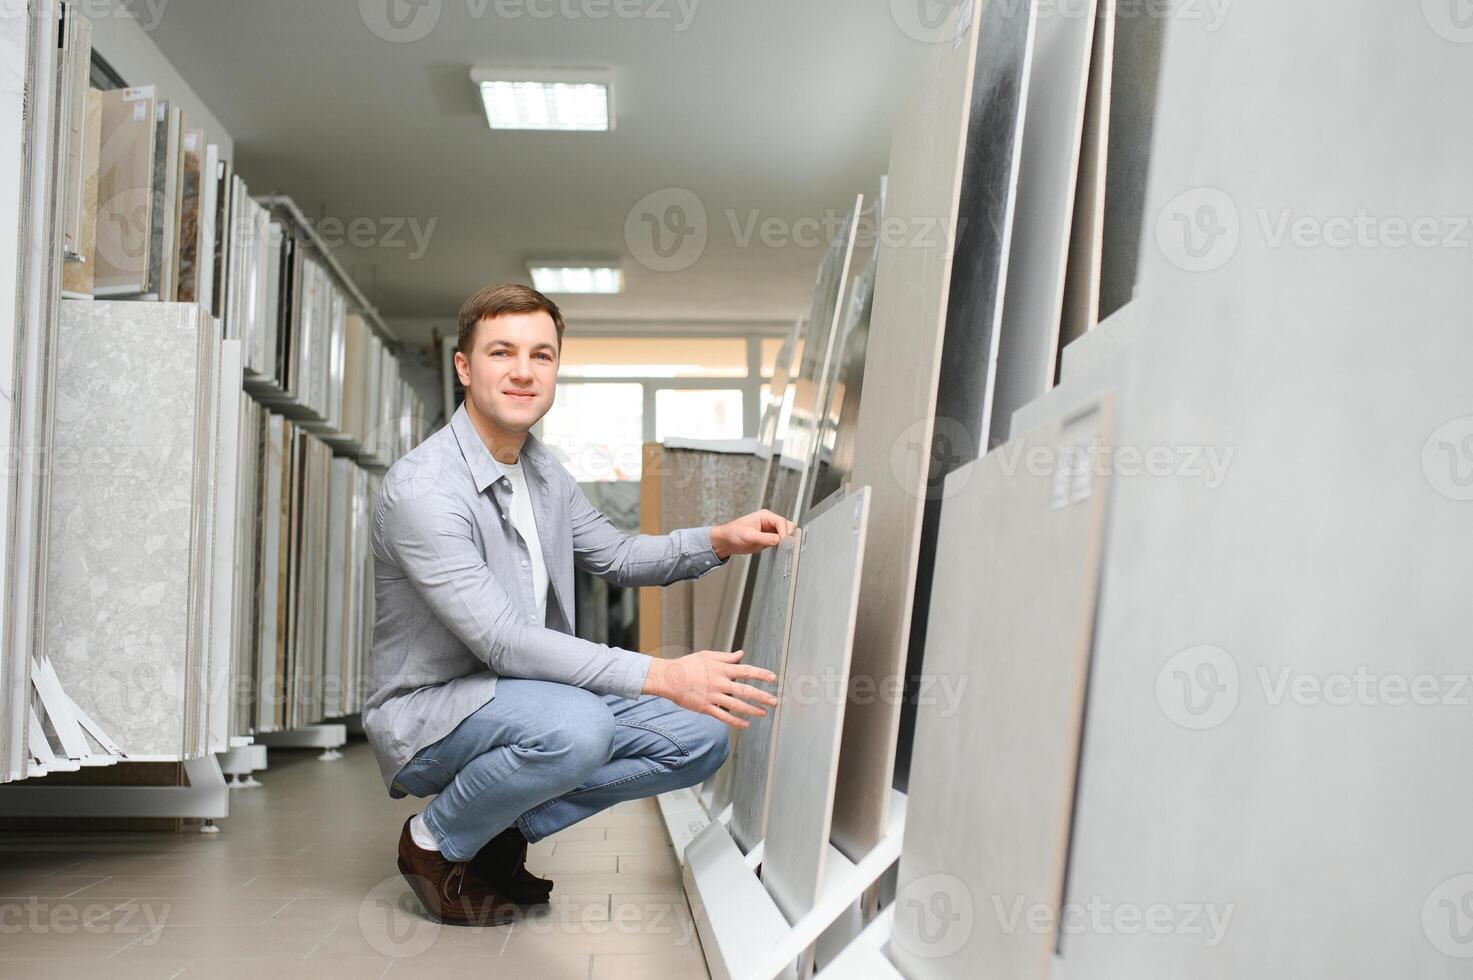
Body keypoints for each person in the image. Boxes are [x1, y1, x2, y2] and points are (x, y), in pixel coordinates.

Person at [363, 283, 792, 926]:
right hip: (433, 714)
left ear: (557, 368)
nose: (522, 371)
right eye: (502, 352)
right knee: (578, 728)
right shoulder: (424, 491)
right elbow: (505, 642)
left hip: (528, 696)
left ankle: (495, 830)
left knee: (700, 736)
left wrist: (717, 540)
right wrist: (666, 674)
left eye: (542, 355)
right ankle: (433, 842)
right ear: (464, 366)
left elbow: (615, 556)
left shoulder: (542, 471)